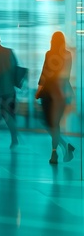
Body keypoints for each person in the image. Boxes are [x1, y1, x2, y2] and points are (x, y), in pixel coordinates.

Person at [35, 31, 75, 164]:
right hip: (61, 92)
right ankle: (63, 146)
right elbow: (67, 75)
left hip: (48, 91)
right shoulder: (68, 55)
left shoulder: (49, 54)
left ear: (52, 41)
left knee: (49, 123)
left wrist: (38, 90)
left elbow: (44, 73)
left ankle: (55, 153)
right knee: (54, 124)